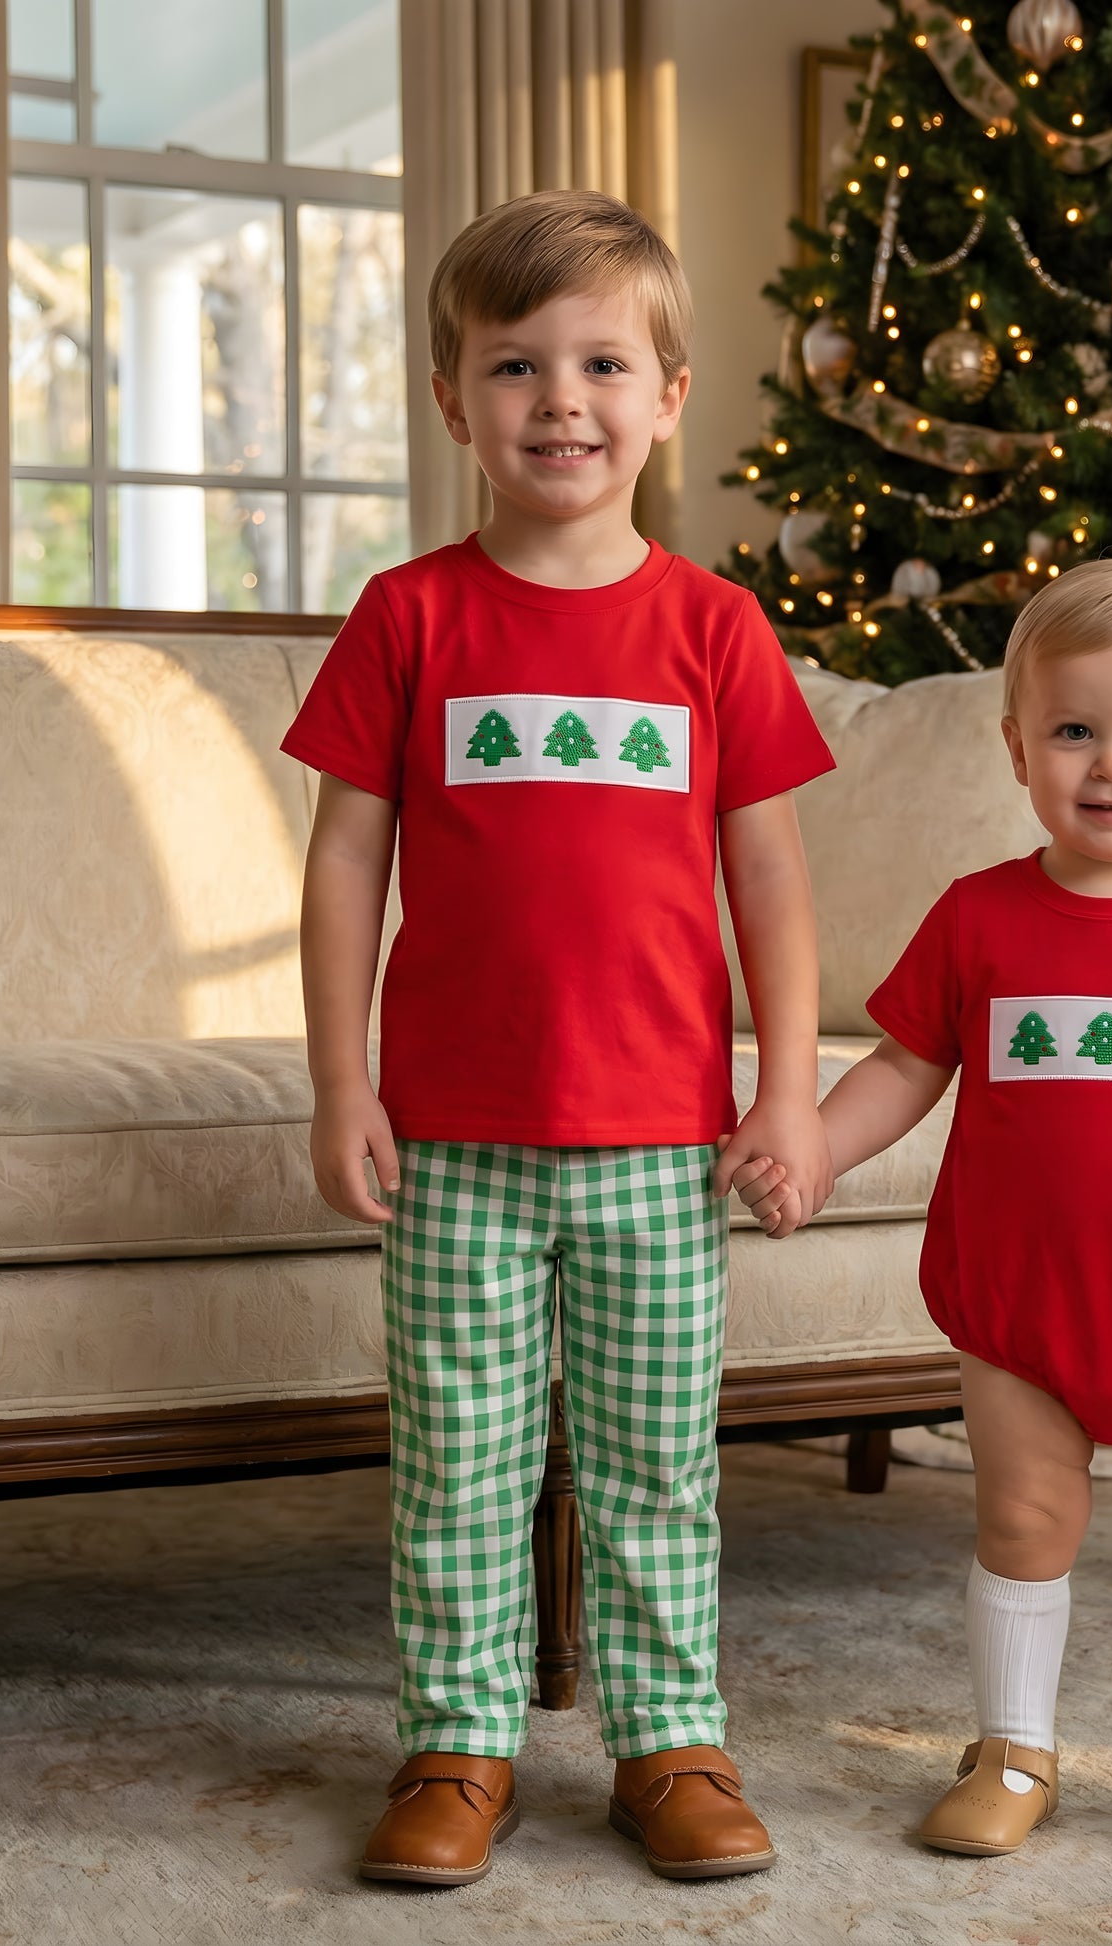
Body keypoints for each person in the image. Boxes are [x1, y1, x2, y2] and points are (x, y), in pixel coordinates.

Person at [284, 188, 835, 1888]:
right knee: (456, 1458)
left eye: (604, 362)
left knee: (654, 1462)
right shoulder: (409, 616)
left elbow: (770, 879)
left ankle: (668, 1743)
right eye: (514, 365)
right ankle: (458, 1742)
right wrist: (339, 1081)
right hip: (451, 1138)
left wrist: (789, 1090)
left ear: (671, 395)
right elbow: (344, 857)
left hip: (660, 1144)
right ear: (454, 400)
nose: (560, 400)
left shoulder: (712, 630)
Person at [737, 557, 1112, 1871]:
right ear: (1016, 747)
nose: (1111, 764)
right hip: (1022, 1300)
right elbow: (905, 1065)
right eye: (1073, 730)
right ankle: (1012, 1745)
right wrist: (816, 1147)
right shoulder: (981, 917)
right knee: (1020, 1523)